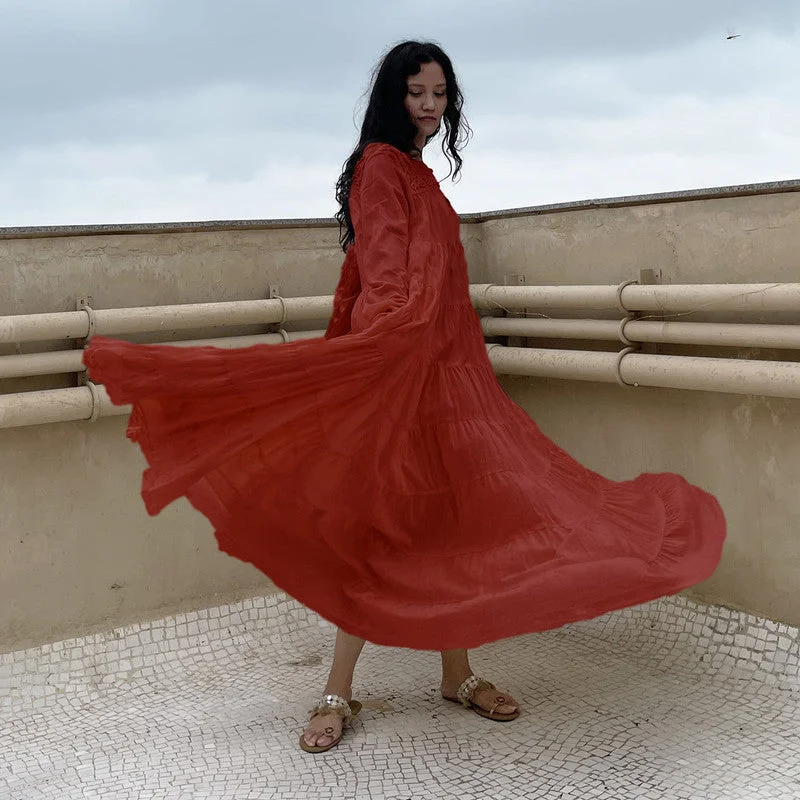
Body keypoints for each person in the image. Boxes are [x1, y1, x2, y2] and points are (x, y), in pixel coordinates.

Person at [82, 40, 726, 756]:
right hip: (398, 374)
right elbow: (385, 268)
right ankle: (336, 688)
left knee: (455, 523)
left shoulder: (419, 173)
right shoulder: (381, 168)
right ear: (393, 97)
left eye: (439, 94)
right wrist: (387, 349)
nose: (429, 105)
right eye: (417, 92)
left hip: (448, 379)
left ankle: (458, 674)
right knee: (377, 531)